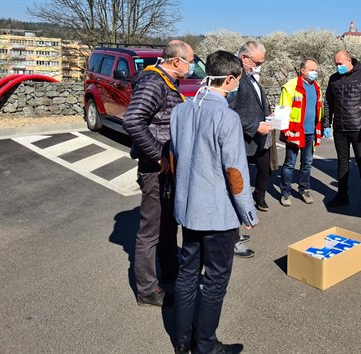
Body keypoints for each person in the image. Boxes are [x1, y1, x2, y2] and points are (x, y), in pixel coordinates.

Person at [170, 50, 257, 354]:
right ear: (230, 80)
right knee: (216, 280)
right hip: (217, 213)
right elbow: (235, 171)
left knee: (187, 275)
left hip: (188, 207)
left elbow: (176, 156)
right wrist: (248, 210)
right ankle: (206, 345)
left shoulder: (181, 110)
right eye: (238, 81)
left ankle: (182, 343)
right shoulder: (226, 116)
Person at [123, 40, 194, 307]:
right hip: (155, 169)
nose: (192, 66)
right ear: (176, 61)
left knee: (167, 224)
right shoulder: (154, 82)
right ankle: (147, 290)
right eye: (190, 61)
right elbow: (132, 120)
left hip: (166, 167)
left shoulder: (166, 81)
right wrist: (158, 155)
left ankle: (170, 272)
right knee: (151, 229)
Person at [228, 40, 273, 258]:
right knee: (237, 192)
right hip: (242, 144)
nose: (259, 66)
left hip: (255, 141)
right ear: (244, 58)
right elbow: (228, 111)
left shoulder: (250, 76)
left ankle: (232, 234)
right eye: (257, 62)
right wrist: (255, 126)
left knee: (243, 189)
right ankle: (232, 239)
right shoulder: (234, 78)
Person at [322, 49, 361, 213]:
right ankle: (342, 196)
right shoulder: (333, 79)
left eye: (340, 63)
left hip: (359, 129)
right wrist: (327, 124)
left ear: (349, 61)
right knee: (342, 163)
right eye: (336, 64)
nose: (337, 66)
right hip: (340, 129)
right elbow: (328, 103)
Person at [278, 58, 324, 207]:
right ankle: (285, 193)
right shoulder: (290, 86)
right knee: (290, 163)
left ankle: (304, 189)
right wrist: (286, 131)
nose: (314, 72)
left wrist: (321, 128)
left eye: (316, 70)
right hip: (295, 131)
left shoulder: (316, 87)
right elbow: (283, 110)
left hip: (311, 132)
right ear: (302, 70)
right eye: (311, 70)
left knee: (307, 163)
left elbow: (319, 109)